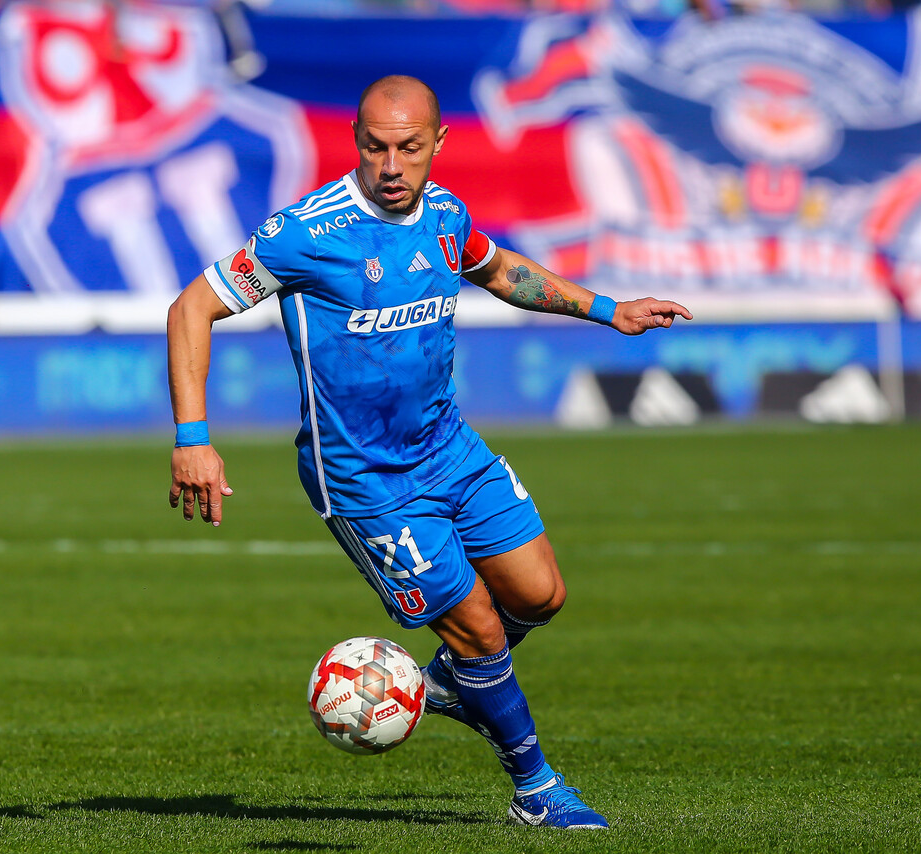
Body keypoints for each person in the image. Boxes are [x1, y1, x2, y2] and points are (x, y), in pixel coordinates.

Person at [166, 75, 691, 829]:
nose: (390, 164)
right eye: (375, 146)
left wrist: (609, 310)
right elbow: (193, 307)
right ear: (355, 141)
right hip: (366, 479)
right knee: (478, 624)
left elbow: (500, 269)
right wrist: (193, 440)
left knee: (540, 596)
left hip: (448, 448)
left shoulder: (445, 215)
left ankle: (458, 680)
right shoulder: (306, 234)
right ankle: (536, 790)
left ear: (437, 145)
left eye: (409, 148)